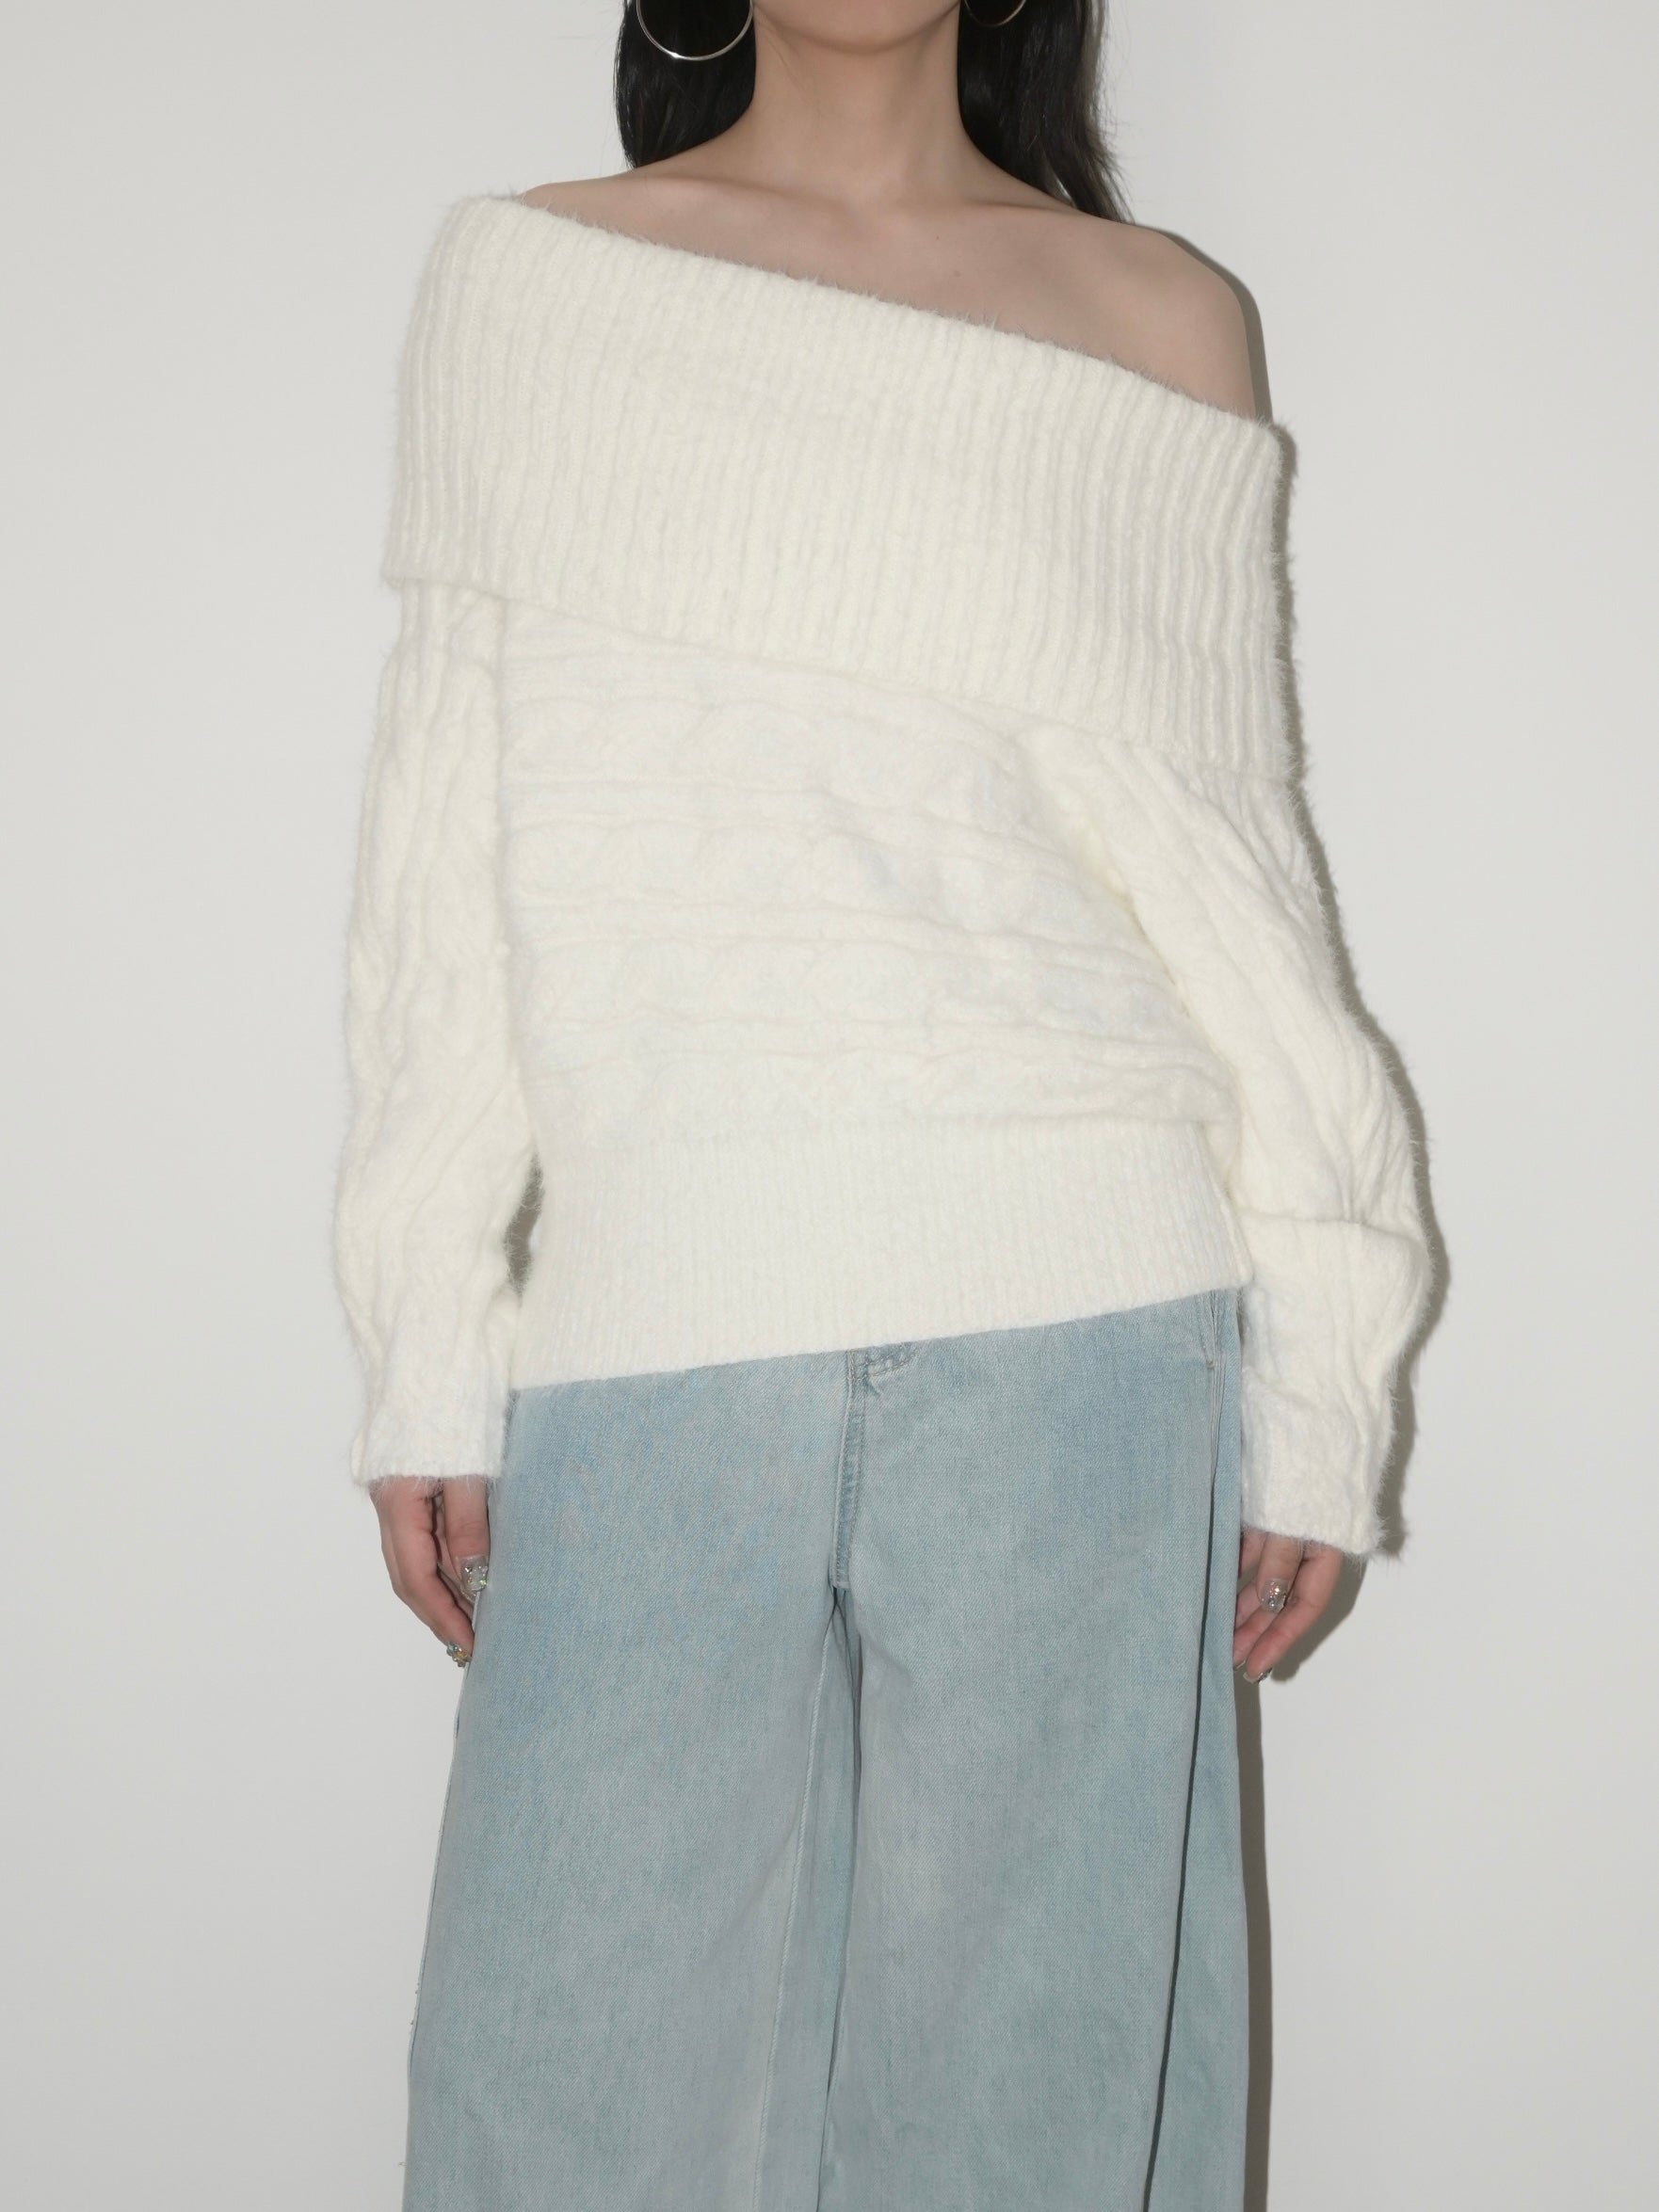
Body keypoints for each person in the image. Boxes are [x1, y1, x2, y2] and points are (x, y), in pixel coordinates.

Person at [332, 4, 1432, 2205]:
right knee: (559, 2091)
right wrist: (421, 1333)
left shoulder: (1154, 314)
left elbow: (1234, 888)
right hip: (654, 1317)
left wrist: (1326, 1365)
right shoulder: (536, 276)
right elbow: (441, 843)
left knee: (1032, 2115)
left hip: (1088, 1329)